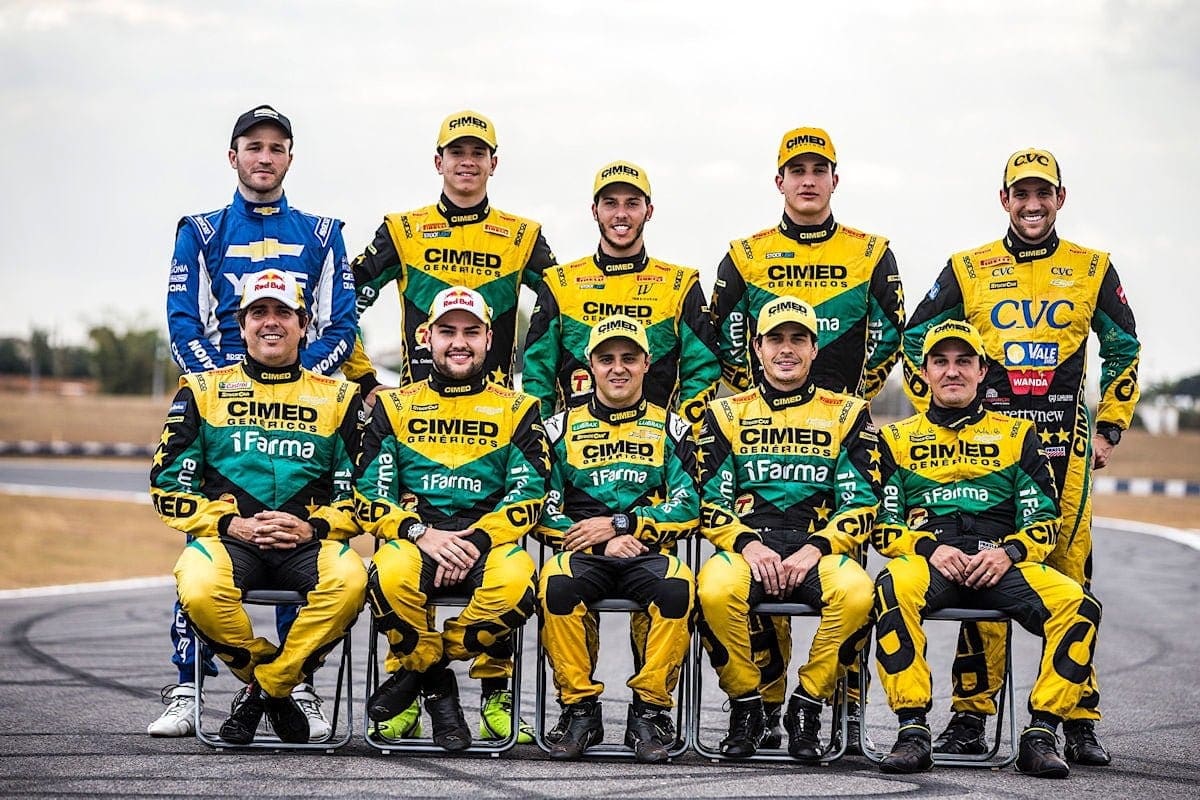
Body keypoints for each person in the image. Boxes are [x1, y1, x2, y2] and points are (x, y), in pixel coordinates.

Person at [902, 148, 1140, 766]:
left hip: (1065, 451)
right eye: (1020, 193)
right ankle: (971, 718)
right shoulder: (968, 266)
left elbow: (1124, 346)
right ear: (1003, 199)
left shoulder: (1092, 267)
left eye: (1043, 193)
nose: (1032, 205)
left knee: (1071, 584)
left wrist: (1109, 425)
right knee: (985, 573)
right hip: (992, 454)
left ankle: (1075, 721)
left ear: (1061, 198)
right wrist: (941, 409)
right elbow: (913, 335)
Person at [344, 111, 554, 742]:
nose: (467, 162)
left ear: (494, 163)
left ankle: (485, 681)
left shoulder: (524, 235)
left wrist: (537, 391)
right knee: (394, 564)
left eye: (479, 153)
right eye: (456, 152)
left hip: (496, 409)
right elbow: (343, 296)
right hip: (411, 409)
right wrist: (362, 380)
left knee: (512, 567)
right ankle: (423, 685)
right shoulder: (402, 229)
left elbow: (558, 306)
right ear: (438, 162)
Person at [151, 104, 357, 739]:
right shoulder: (202, 228)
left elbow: (341, 324)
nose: (264, 157)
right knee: (203, 536)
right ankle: (187, 687)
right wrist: (224, 384)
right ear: (232, 154)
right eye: (252, 146)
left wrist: (300, 378)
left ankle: (299, 687)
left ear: (290, 157)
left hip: (306, 402)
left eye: (276, 147)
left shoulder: (322, 232)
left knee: (316, 539)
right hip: (221, 406)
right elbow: (184, 320)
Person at [709, 127, 906, 750]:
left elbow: (895, 334)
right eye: (797, 170)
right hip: (759, 427)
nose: (808, 179)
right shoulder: (744, 252)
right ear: (780, 181)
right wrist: (756, 397)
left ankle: (821, 707)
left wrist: (852, 399)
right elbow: (725, 335)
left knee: (850, 586)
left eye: (819, 169)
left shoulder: (873, 250)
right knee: (734, 582)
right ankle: (757, 706)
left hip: (841, 427)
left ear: (834, 179)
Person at [872, 320, 1102, 778]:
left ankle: (1041, 733)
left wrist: (1008, 553)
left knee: (1080, 605)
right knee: (889, 588)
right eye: (941, 361)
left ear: (982, 372)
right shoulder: (895, 439)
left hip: (1001, 563)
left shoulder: (1019, 435)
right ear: (925, 373)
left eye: (964, 362)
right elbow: (883, 526)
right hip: (931, 563)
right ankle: (912, 731)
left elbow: (1043, 523)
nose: (952, 371)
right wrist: (928, 548)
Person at [356, 286, 549, 752]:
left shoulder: (520, 408)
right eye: (447, 331)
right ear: (426, 337)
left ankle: (424, 670)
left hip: (488, 545)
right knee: (385, 574)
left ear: (490, 340)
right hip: (416, 541)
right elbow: (367, 495)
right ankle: (424, 694)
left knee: (521, 583)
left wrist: (477, 540)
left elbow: (533, 494)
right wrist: (421, 534)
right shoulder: (391, 406)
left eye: (471, 331)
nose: (458, 342)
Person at [695, 296, 878, 761]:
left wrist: (818, 546)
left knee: (858, 593)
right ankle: (747, 705)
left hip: (819, 550)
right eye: (775, 338)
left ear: (815, 348)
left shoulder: (848, 412)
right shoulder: (724, 413)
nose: (787, 349)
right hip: (747, 549)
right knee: (713, 590)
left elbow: (862, 502)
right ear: (757, 347)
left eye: (798, 338)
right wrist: (747, 544)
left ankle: (808, 703)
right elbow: (708, 500)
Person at [535, 315, 698, 763]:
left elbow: (688, 506)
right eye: (607, 359)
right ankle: (579, 710)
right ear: (590, 366)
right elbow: (542, 511)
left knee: (678, 587)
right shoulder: (556, 429)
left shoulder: (673, 428)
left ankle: (649, 713)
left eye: (629, 358)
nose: (618, 368)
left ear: (648, 364)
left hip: (647, 552)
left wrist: (625, 524)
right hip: (583, 553)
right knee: (556, 584)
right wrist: (600, 541)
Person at [523, 161, 720, 426]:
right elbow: (537, 373)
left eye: (632, 203)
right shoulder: (560, 283)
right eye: (610, 203)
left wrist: (686, 441)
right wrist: (541, 442)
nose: (621, 214)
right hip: (574, 453)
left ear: (648, 211)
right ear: (595, 211)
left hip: (656, 449)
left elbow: (703, 369)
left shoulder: (680, 284)